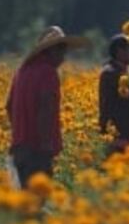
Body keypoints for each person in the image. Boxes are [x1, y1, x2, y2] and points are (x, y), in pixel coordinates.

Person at [6, 26, 90, 185]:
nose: (63, 59)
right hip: (38, 150)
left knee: (23, 202)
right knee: (38, 202)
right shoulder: (48, 73)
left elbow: (9, 106)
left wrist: (20, 133)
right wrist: (45, 144)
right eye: (62, 53)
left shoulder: (22, 71)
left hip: (19, 149)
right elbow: (45, 109)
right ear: (51, 51)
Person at [98, 34, 129, 153]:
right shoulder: (110, 73)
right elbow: (107, 105)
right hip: (119, 136)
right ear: (120, 51)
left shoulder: (127, 71)